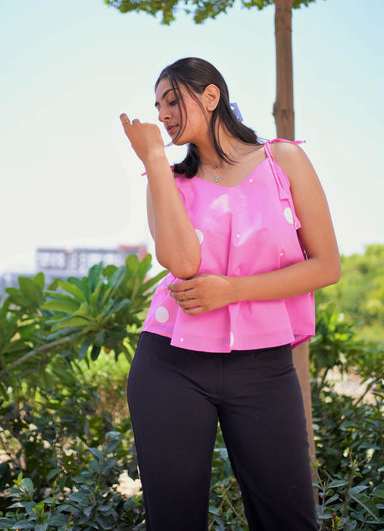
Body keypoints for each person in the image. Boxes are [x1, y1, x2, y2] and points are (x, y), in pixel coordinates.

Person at [120, 57, 340, 531]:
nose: (162, 114)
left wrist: (232, 292)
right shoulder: (170, 181)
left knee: (289, 517)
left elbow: (326, 266)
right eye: (157, 106)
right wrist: (156, 160)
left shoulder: (283, 160)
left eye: (173, 99)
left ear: (212, 96)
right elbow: (181, 264)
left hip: (264, 366)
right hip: (170, 363)